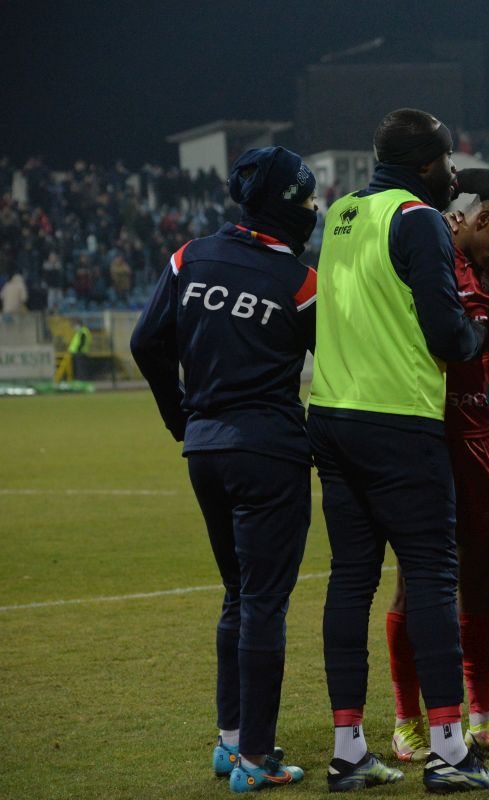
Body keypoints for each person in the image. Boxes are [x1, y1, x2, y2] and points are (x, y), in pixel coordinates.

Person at [306, 108, 489, 793]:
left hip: (331, 414)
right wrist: (479, 333)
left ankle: (348, 750)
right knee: (431, 575)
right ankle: (450, 754)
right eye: (450, 162)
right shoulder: (417, 217)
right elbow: (447, 335)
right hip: (397, 418)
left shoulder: (339, 213)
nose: (455, 174)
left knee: (351, 580)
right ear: (429, 164)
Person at [130, 146, 320, 793]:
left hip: (204, 449)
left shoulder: (190, 258)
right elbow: (335, 364)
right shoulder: (298, 280)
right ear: (285, 205)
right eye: (306, 199)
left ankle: (231, 740)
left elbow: (145, 342)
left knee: (238, 596)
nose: (312, 210)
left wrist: (180, 417)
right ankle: (256, 758)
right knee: (265, 601)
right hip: (269, 451)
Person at [385, 168, 489, 760]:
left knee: (482, 575)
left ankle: (483, 715)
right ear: (478, 218)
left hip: (475, 434)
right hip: (423, 434)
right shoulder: (422, 254)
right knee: (417, 578)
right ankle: (409, 719)